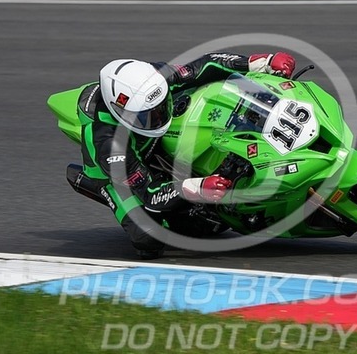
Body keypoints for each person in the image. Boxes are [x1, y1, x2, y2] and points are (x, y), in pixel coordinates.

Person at [76, 52, 296, 259]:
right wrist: (198, 188)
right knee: (148, 239)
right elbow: (149, 194)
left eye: (162, 107)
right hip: (119, 176)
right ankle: (92, 183)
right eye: (148, 116)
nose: (159, 117)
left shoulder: (153, 79)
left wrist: (262, 62)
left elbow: (207, 64)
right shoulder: (110, 146)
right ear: (121, 113)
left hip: (147, 141)